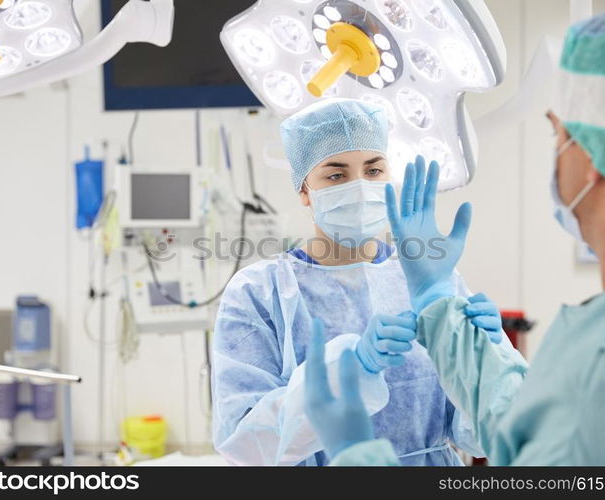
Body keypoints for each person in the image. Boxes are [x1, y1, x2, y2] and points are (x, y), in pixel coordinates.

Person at [305, 9, 605, 466]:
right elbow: (525, 431)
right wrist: (438, 303)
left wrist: (358, 456)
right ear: (304, 189)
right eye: (335, 174)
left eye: (558, 134)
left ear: (594, 157)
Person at [211, 98, 506, 466]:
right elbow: (244, 444)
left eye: (373, 170)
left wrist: (487, 361)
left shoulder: (427, 279)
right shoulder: (261, 293)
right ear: (304, 190)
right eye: (336, 175)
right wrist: (350, 369)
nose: (360, 187)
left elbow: (480, 437)